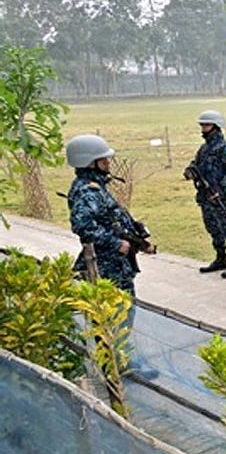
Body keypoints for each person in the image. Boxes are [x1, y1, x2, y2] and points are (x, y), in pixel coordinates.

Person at [66, 134, 158, 378]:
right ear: (89, 162)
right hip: (106, 264)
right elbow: (82, 226)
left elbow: (112, 219)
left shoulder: (97, 188)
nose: (108, 163)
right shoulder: (88, 191)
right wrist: (115, 242)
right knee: (115, 314)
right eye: (103, 159)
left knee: (122, 312)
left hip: (115, 262)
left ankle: (119, 361)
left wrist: (136, 237)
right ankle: (115, 366)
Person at [185, 111, 226, 276]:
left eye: (206, 125)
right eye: (202, 126)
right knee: (212, 227)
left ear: (216, 127)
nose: (203, 129)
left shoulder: (225, 149)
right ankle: (221, 257)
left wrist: (220, 191)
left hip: (221, 197)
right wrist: (190, 171)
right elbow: (195, 164)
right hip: (205, 196)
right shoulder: (204, 149)